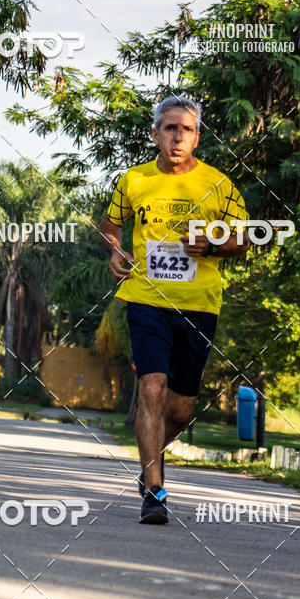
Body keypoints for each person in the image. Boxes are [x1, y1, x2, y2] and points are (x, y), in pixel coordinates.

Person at [101, 96, 250, 524]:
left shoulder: (219, 185)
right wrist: (116, 251)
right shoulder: (134, 180)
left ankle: (150, 464)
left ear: (197, 136)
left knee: (181, 409)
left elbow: (249, 237)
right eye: (169, 128)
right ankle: (154, 490)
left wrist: (214, 246)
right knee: (151, 386)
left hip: (199, 305)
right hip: (146, 299)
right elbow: (111, 227)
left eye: (186, 129)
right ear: (155, 134)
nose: (177, 136)